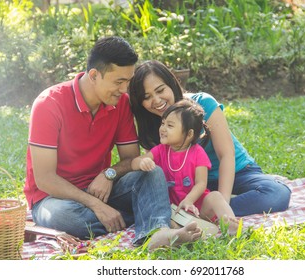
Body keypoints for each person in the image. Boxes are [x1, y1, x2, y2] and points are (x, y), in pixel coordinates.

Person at [24, 37, 201, 250]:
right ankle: (148, 217)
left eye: (128, 81)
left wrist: (108, 174)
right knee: (66, 218)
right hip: (54, 198)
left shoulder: (121, 103)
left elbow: (131, 160)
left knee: (151, 172)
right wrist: (95, 205)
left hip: (103, 190)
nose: (125, 90)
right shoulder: (49, 104)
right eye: (119, 82)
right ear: (94, 75)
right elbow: (45, 179)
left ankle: (157, 233)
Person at [128, 60, 291, 217]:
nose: (156, 100)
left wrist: (223, 203)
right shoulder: (154, 126)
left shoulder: (201, 104)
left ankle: (210, 209)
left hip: (236, 172)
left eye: (160, 90)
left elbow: (226, 154)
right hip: (193, 185)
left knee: (277, 194)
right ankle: (202, 208)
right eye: (147, 97)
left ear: (171, 83)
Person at [131, 99, 238, 234]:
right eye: (163, 123)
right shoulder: (160, 150)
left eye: (170, 126)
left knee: (216, 196)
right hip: (172, 210)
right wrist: (141, 163)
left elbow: (201, 183)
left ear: (189, 134)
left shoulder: (198, 153)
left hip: (197, 206)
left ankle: (230, 222)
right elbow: (134, 163)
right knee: (165, 220)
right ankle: (183, 231)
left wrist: (189, 200)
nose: (163, 129)